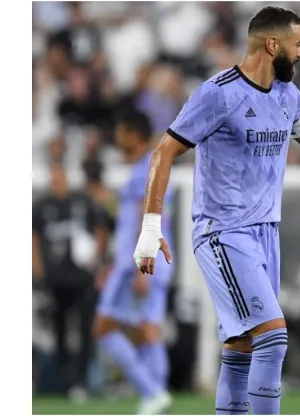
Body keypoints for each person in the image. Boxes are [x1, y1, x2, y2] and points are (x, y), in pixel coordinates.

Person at [132, 6, 300, 415]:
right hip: (223, 232)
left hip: (265, 234)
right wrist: (151, 226)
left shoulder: (287, 95)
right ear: (273, 44)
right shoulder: (218, 94)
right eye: (299, 43)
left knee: (242, 347)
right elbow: (164, 152)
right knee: (273, 337)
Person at [93, 110, 175, 414]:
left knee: (103, 327)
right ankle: (156, 395)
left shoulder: (146, 170)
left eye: (120, 130)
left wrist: (142, 265)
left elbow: (150, 219)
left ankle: (151, 392)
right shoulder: (149, 166)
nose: (116, 136)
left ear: (132, 134)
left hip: (141, 263)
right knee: (147, 329)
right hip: (148, 263)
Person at [32, 161, 109, 401]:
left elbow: (102, 228)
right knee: (60, 330)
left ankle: (82, 380)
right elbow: (33, 237)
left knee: (86, 328)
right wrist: (38, 270)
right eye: (53, 176)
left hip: (81, 279)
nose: (56, 181)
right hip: (55, 280)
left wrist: (95, 255)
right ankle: (65, 381)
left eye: (59, 176)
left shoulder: (82, 202)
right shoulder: (42, 205)